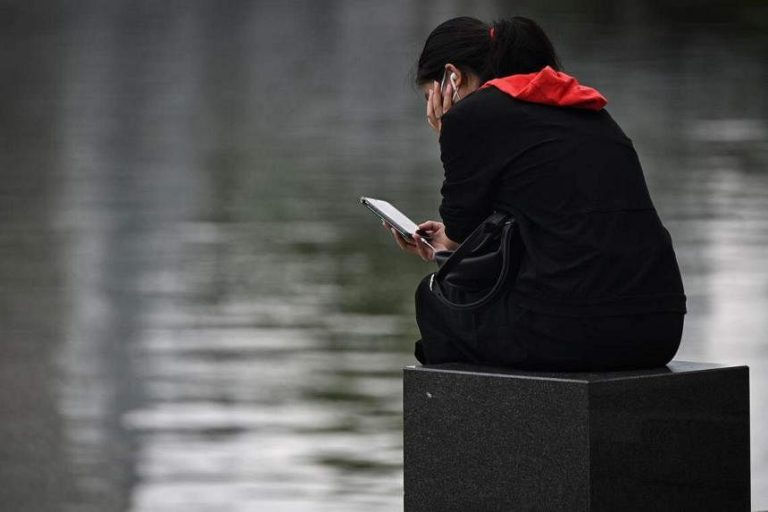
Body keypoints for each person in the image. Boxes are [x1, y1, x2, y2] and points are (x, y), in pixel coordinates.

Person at [388, 16, 686, 371]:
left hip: (573, 331)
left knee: (436, 300)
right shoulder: (585, 109)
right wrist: (450, 239)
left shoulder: (473, 115)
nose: (432, 110)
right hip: (660, 328)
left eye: (429, 97)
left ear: (453, 77)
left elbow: (461, 227)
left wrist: (448, 133)